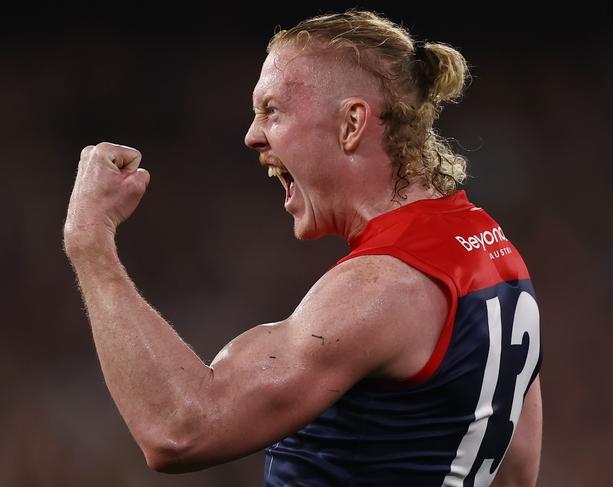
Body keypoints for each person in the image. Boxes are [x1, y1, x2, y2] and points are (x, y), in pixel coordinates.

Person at [63, 9, 542, 487]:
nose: (252, 136)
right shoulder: (492, 251)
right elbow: (516, 466)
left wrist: (91, 242)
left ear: (351, 123)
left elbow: (179, 430)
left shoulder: (385, 286)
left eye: (272, 110)